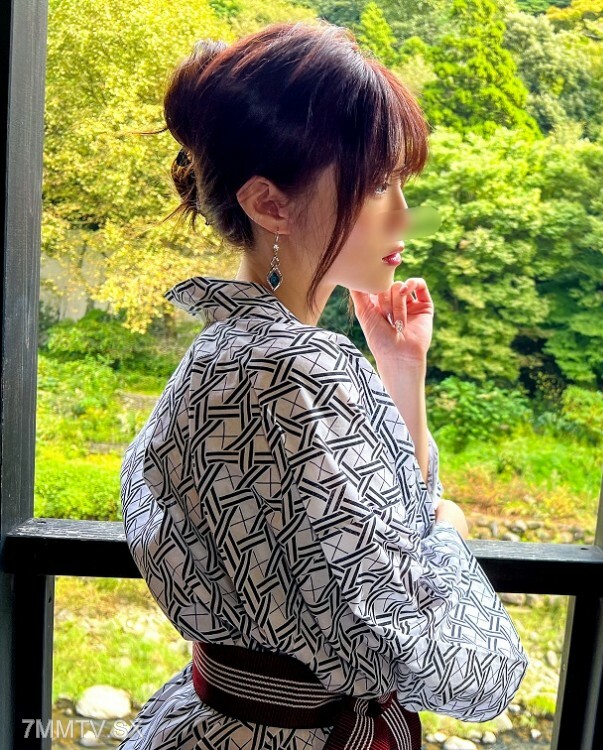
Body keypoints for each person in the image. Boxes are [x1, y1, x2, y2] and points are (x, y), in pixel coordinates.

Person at [118, 19, 530, 750]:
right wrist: (451, 538)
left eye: (400, 183)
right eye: (376, 185)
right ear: (270, 204)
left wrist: (400, 372)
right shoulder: (300, 372)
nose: (404, 215)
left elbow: (368, 537)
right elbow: (455, 669)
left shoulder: (223, 351)